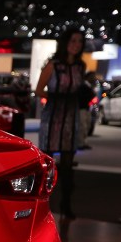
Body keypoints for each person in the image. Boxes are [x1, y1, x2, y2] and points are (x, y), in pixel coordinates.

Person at [34, 26, 86, 219]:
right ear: (66, 43)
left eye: (79, 42)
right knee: (48, 165)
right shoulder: (53, 65)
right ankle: (42, 206)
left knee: (67, 165)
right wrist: (55, 97)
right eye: (73, 41)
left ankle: (66, 205)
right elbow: (38, 90)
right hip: (53, 117)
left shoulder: (80, 66)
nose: (76, 45)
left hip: (71, 119)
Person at [76, 71, 97, 150]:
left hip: (86, 108)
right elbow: (83, 97)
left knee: (86, 126)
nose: (94, 78)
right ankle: (80, 143)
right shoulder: (83, 86)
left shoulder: (89, 86)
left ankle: (83, 142)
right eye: (93, 77)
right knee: (82, 126)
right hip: (82, 108)